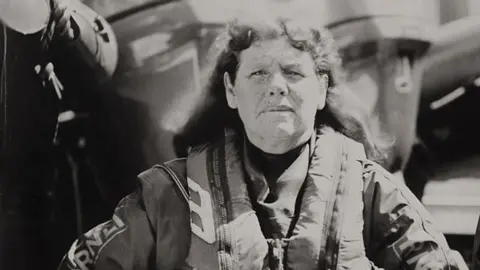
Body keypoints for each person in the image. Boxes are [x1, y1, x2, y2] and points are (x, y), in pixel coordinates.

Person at [58, 14, 465, 270]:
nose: (277, 88)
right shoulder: (168, 195)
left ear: (322, 90)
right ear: (231, 92)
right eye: (258, 75)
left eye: (293, 73)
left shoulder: (371, 191)